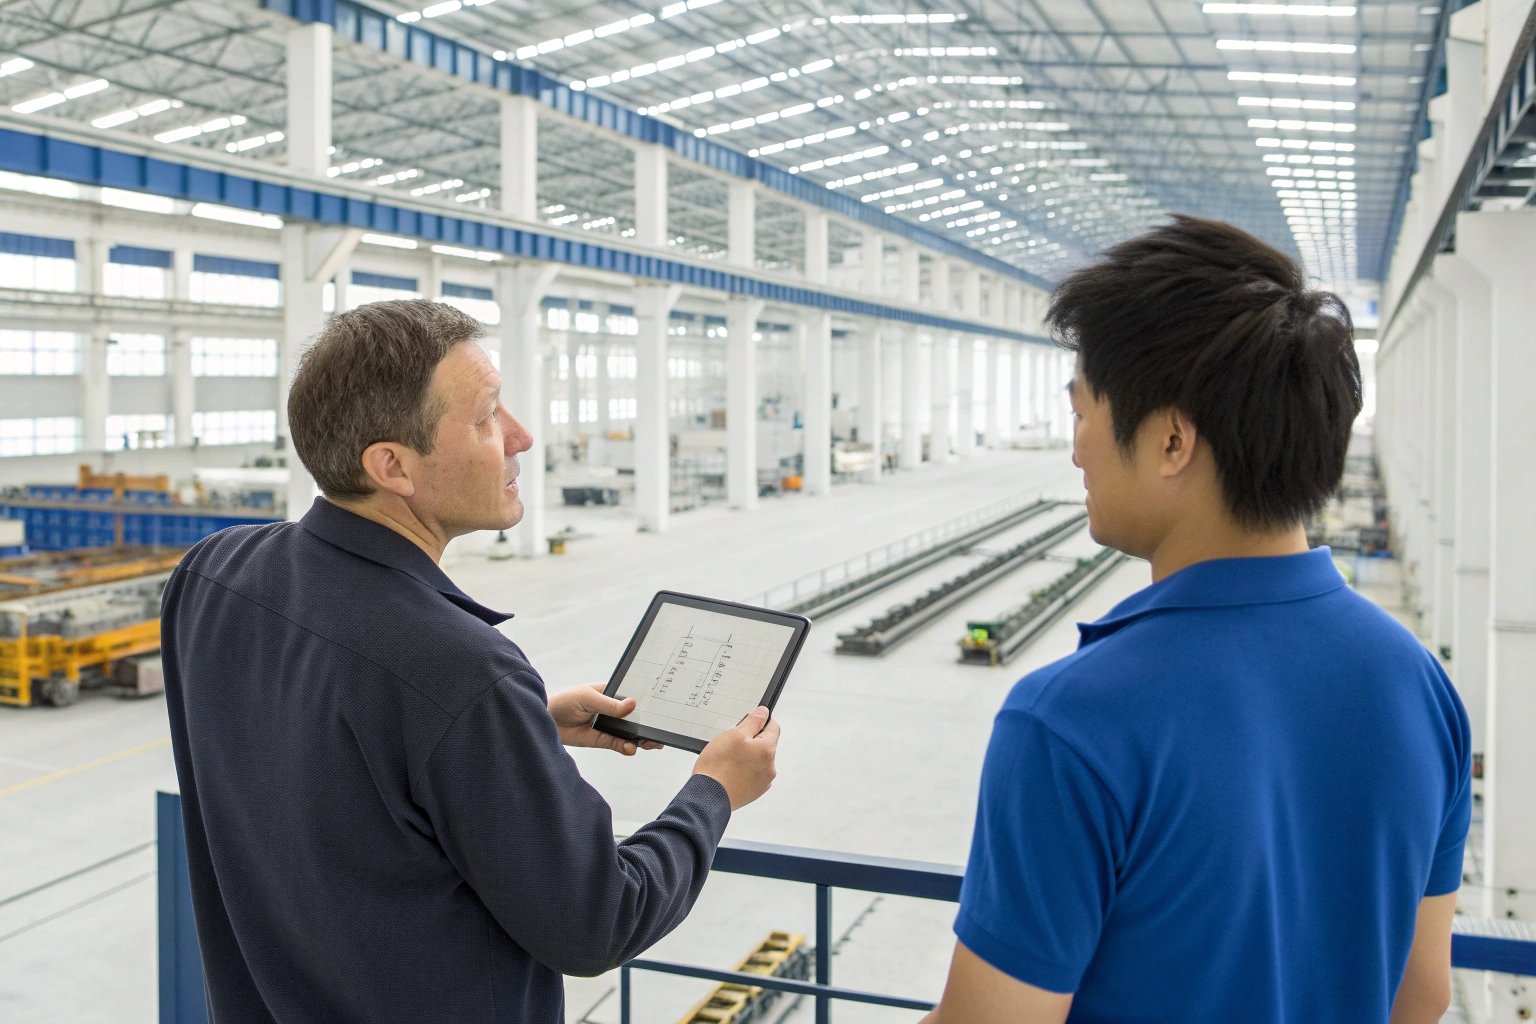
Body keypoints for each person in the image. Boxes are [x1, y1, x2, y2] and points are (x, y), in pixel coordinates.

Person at [161, 299, 781, 1023]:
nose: (520, 435)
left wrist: (522, 731)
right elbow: (600, 920)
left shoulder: (210, 573)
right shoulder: (460, 671)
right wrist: (715, 790)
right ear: (391, 465)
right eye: (487, 417)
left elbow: (316, 757)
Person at [921, 216, 1470, 1024]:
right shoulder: (1416, 682)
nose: (1077, 450)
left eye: (1084, 414)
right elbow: (1421, 996)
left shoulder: (1072, 720)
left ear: (1172, 438)